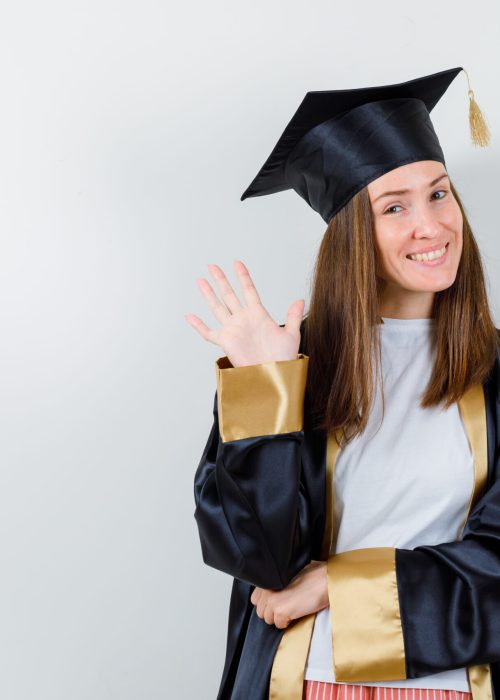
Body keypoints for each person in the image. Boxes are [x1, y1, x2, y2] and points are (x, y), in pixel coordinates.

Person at [184, 66, 500, 700]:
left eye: (439, 194)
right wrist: (265, 387)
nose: (431, 225)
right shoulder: (296, 366)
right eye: (395, 207)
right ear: (354, 234)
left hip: (457, 684)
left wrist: (338, 584)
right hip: (301, 681)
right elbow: (260, 563)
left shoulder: (494, 376)